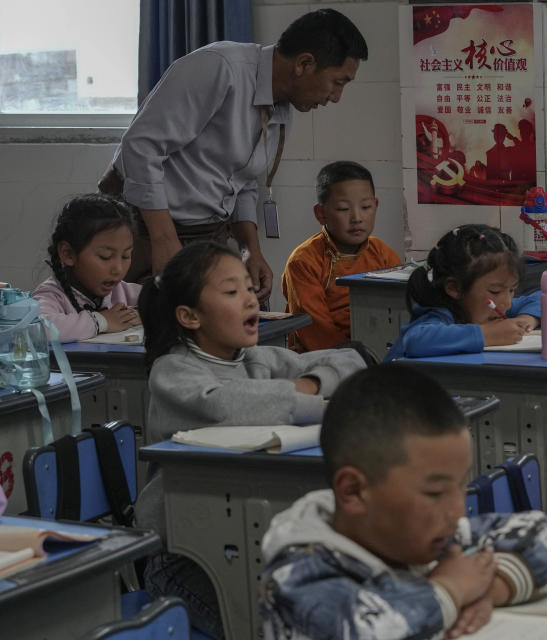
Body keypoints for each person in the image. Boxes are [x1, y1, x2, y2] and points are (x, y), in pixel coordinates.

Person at [135, 241, 366, 638]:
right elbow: (226, 405)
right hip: (183, 556)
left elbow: (351, 360)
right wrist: (310, 401)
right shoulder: (173, 371)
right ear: (189, 316)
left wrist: (308, 383)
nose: (250, 299)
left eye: (248, 287)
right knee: (270, 628)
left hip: (255, 545)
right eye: (231, 292)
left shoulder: (257, 359)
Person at [259, 363, 547, 639]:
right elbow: (366, 630)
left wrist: (490, 588)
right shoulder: (299, 574)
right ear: (353, 491)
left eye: (460, 486)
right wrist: (452, 590)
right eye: (434, 493)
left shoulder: (430, 535)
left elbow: (546, 537)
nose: (458, 511)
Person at [101, 9, 368, 302]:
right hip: (144, 231)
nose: (336, 97)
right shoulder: (220, 68)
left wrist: (250, 251)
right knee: (156, 332)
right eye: (338, 82)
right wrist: (164, 242)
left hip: (205, 234)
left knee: (245, 315)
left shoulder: (281, 109)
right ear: (304, 63)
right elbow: (140, 146)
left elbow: (242, 181)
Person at [281, 161, 402, 351]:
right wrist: (354, 356)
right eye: (343, 209)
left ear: (376, 206)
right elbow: (313, 327)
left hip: (380, 346)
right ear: (320, 214)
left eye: (366, 206)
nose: (357, 218)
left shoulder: (382, 253)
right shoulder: (304, 261)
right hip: (322, 355)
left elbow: (400, 308)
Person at [384, 224, 539, 361]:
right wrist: (487, 334)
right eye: (495, 291)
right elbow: (416, 339)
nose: (507, 302)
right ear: (455, 288)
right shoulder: (439, 315)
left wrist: (526, 319)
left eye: (512, 290)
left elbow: (541, 299)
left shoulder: (491, 308)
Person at [33, 194, 142, 342]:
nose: (118, 269)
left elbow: (169, 302)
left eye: (125, 256)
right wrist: (101, 321)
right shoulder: (52, 295)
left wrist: (141, 315)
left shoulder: (123, 292)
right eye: (105, 256)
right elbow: (39, 327)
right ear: (69, 254)